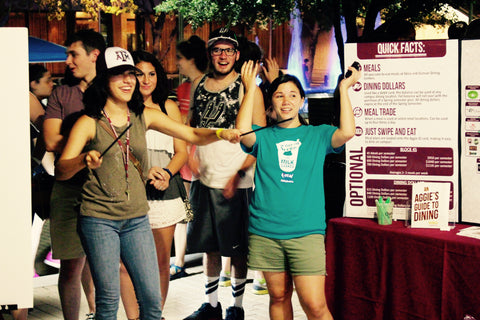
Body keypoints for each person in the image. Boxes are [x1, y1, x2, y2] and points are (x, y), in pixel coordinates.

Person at [54, 46, 240, 320]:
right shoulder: (88, 122)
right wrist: (84, 159)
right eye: (120, 75)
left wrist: (222, 132)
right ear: (105, 80)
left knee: (152, 304)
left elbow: (190, 134)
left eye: (132, 74)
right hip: (98, 219)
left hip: (137, 218)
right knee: (107, 303)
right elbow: (61, 170)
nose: (129, 81)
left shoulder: (144, 115)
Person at [236, 60, 361, 320]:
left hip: (307, 233)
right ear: (271, 103)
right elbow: (242, 131)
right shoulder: (263, 137)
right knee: (279, 297)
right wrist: (250, 89)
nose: (286, 101)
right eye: (279, 95)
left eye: (293, 95)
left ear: (302, 100)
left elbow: (347, 131)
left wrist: (344, 89)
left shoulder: (317, 135)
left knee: (314, 305)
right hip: (265, 231)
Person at [184, 27, 266, 320]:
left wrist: (238, 174)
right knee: (209, 246)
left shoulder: (248, 88)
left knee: (238, 247)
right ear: (210, 54)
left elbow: (260, 139)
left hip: (236, 181)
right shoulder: (200, 84)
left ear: (237, 55)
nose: (222, 55)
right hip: (203, 177)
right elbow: (191, 126)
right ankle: (211, 304)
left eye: (228, 50)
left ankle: (238, 307)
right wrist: (190, 157)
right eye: (217, 50)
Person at [118, 49, 189, 319]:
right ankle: (133, 317)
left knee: (160, 262)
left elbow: (181, 151)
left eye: (151, 74)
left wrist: (167, 175)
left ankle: (154, 315)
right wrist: (145, 172)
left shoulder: (168, 106)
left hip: (165, 191)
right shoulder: (122, 107)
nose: (146, 80)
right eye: (139, 74)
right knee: (125, 265)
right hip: (131, 191)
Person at [43, 29, 105, 320]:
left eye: (73, 54)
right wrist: (86, 138)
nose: (67, 60)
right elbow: (50, 140)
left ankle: (99, 312)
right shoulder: (62, 92)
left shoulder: (112, 88)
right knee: (71, 265)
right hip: (68, 187)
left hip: (106, 187)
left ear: (94, 55)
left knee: (105, 263)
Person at [170, 35, 208, 280]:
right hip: (184, 160)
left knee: (205, 216)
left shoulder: (209, 86)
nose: (177, 63)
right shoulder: (182, 89)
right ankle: (179, 262)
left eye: (180, 58)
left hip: (204, 162)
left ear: (192, 59)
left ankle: (216, 268)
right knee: (180, 214)